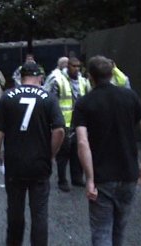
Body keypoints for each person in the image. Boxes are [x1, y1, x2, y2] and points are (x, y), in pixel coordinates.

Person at [73, 55, 141, 246]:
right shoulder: (130, 96)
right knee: (120, 229)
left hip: (102, 177)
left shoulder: (84, 103)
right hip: (128, 174)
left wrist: (90, 178)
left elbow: (82, 143)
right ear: (111, 74)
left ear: (90, 76)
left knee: (102, 232)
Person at [0, 62, 65, 245]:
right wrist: (51, 154)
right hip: (40, 163)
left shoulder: (7, 97)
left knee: (15, 211)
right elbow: (59, 131)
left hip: (14, 163)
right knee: (39, 213)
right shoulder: (48, 98)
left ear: (21, 77)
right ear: (40, 77)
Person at [43, 56, 91, 192]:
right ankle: (62, 180)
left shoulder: (83, 81)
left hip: (79, 123)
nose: (76, 69)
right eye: (73, 66)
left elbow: (88, 97)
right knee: (63, 153)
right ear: (67, 66)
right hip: (63, 122)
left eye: (78, 66)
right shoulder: (58, 80)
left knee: (78, 152)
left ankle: (77, 178)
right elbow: (51, 99)